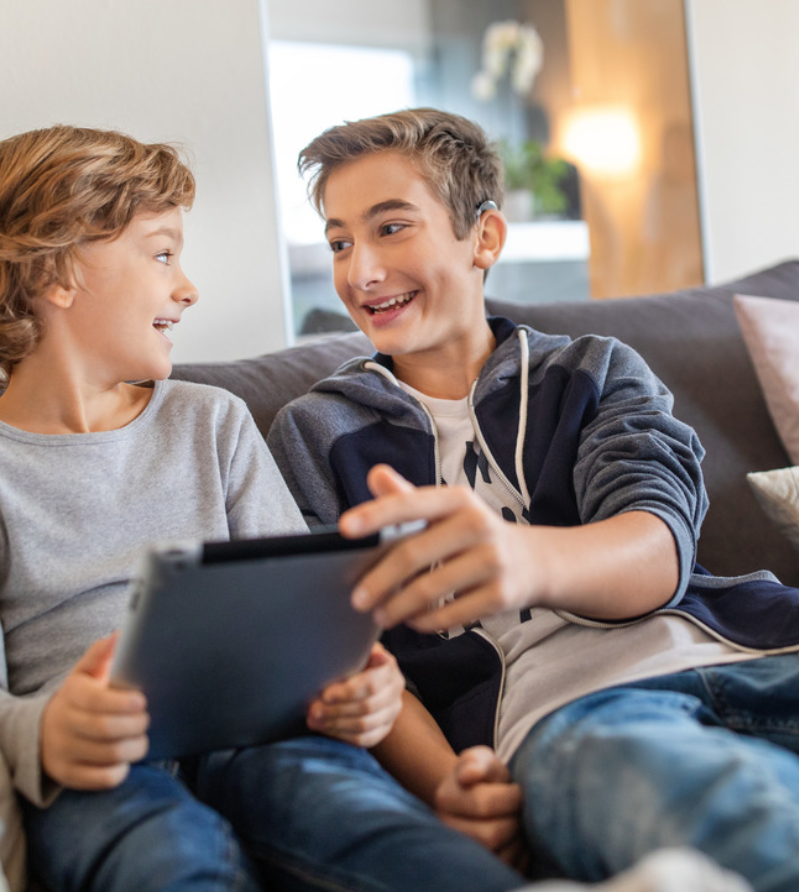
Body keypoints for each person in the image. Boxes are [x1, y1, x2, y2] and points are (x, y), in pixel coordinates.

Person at [0, 124, 534, 892]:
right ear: (57, 271)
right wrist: (47, 733)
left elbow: (311, 629)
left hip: (265, 736)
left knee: (366, 825)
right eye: (162, 253)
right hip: (104, 770)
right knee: (163, 857)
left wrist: (356, 691)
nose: (187, 286)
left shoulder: (213, 421)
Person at [268, 107, 799, 892]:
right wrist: (451, 785)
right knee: (731, 810)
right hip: (577, 715)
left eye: (390, 229)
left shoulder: (594, 372)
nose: (361, 273)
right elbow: (356, 660)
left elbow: (657, 549)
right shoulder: (316, 435)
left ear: (483, 238)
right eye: (340, 241)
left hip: (760, 645)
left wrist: (524, 558)